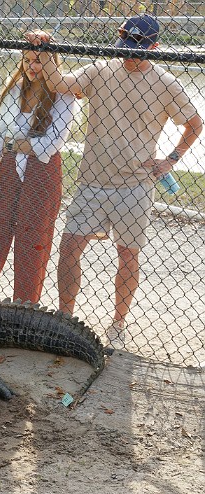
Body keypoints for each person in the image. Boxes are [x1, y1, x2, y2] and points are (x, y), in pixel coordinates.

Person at [39, 14, 202, 347]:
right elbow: (57, 83)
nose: (129, 54)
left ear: (155, 47)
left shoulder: (166, 83)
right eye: (126, 46)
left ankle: (118, 323)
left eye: (138, 49)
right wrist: (44, 50)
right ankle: (66, 318)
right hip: (91, 181)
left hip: (136, 185)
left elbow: (195, 123)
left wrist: (170, 160)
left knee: (128, 255)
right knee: (69, 247)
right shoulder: (100, 70)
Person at [0, 30, 78, 303]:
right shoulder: (14, 89)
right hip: (9, 170)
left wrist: (17, 145)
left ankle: (25, 305)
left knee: (32, 242)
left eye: (39, 60)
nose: (32, 67)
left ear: (52, 61)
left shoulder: (63, 93)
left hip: (42, 172)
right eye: (27, 60)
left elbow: (55, 140)